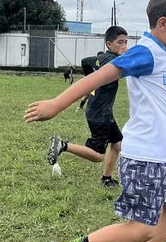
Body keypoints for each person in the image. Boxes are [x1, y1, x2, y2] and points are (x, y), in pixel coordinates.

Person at [27, 0, 166, 242]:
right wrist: (56, 104)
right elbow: (101, 76)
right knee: (141, 229)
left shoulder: (160, 53)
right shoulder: (146, 52)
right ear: (163, 23)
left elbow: (157, 85)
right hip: (147, 158)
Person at [47, 26, 128, 187]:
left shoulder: (101, 58)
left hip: (101, 110)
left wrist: (91, 81)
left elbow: (85, 61)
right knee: (98, 156)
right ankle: (62, 145)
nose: (124, 46)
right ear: (109, 44)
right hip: (100, 115)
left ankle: (106, 179)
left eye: (126, 42)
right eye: (120, 42)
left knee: (117, 144)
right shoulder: (113, 61)